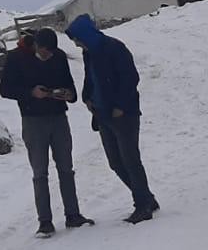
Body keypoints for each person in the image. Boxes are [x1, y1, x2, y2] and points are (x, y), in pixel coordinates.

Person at [65, 14, 159, 224]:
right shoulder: (89, 53)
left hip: (124, 115)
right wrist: (87, 97)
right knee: (116, 162)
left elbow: (130, 78)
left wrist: (120, 106)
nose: (77, 44)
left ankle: (143, 205)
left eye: (77, 39)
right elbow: (90, 79)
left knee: (130, 160)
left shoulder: (114, 48)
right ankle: (146, 197)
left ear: (86, 35)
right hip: (102, 115)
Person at [0, 27, 91, 236]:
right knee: (40, 172)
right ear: (35, 45)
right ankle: (45, 221)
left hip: (58, 117)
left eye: (50, 52)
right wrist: (30, 93)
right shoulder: (16, 58)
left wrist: (68, 94)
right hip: (32, 120)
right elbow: (5, 90)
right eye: (44, 52)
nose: (48, 55)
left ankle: (73, 215)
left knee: (66, 168)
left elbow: (71, 88)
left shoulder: (59, 56)